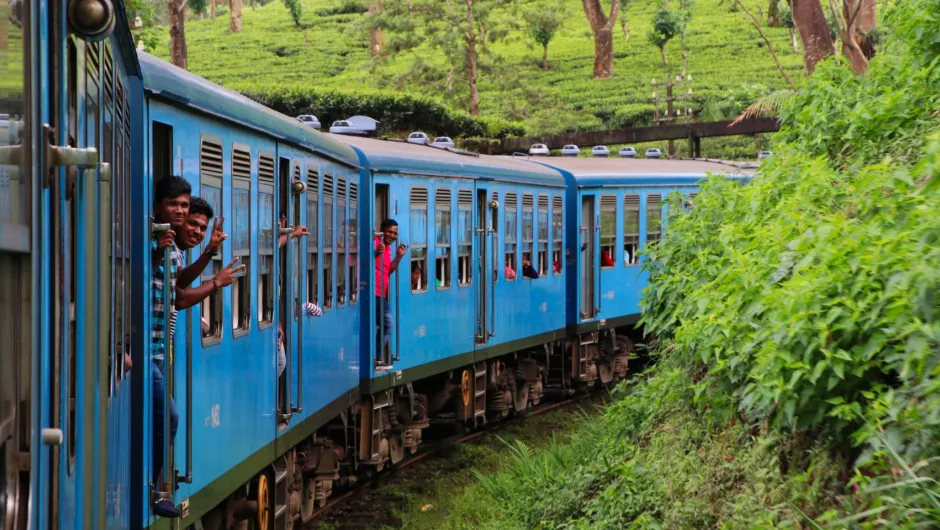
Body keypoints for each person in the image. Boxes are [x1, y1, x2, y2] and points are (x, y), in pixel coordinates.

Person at [150, 176, 188, 519]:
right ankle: (155, 488)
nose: (179, 210)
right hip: (143, 350)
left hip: (160, 351)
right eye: (173, 204)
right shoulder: (152, 240)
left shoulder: (175, 248)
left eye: (184, 206)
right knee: (169, 416)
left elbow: (178, 292)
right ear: (158, 205)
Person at [374, 219, 407, 365]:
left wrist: (399, 256)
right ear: (382, 230)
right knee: (388, 325)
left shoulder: (388, 248)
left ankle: (376, 355)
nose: (392, 235)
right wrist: (375, 253)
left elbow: (388, 271)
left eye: (395, 233)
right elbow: (365, 259)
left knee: (386, 325)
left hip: (382, 294)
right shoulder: (376, 243)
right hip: (374, 294)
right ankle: (375, 355)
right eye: (389, 232)